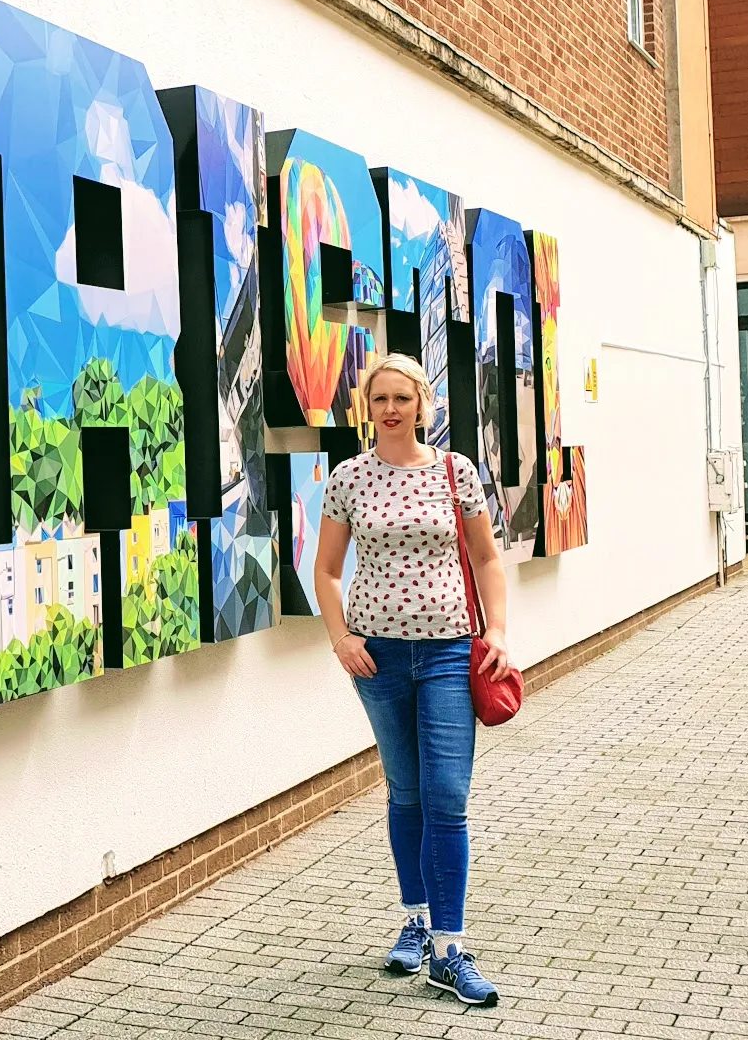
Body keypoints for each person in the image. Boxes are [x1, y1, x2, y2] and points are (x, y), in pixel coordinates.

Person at [313, 352, 512, 1007]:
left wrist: (500, 635)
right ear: (366, 408)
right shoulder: (348, 478)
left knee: (446, 796)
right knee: (405, 794)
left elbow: (487, 558)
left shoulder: (457, 474)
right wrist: (340, 638)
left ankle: (450, 950)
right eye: (380, 399)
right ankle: (417, 922)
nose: (392, 409)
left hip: (451, 653)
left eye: (403, 397)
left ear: (423, 404)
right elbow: (327, 570)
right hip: (380, 659)